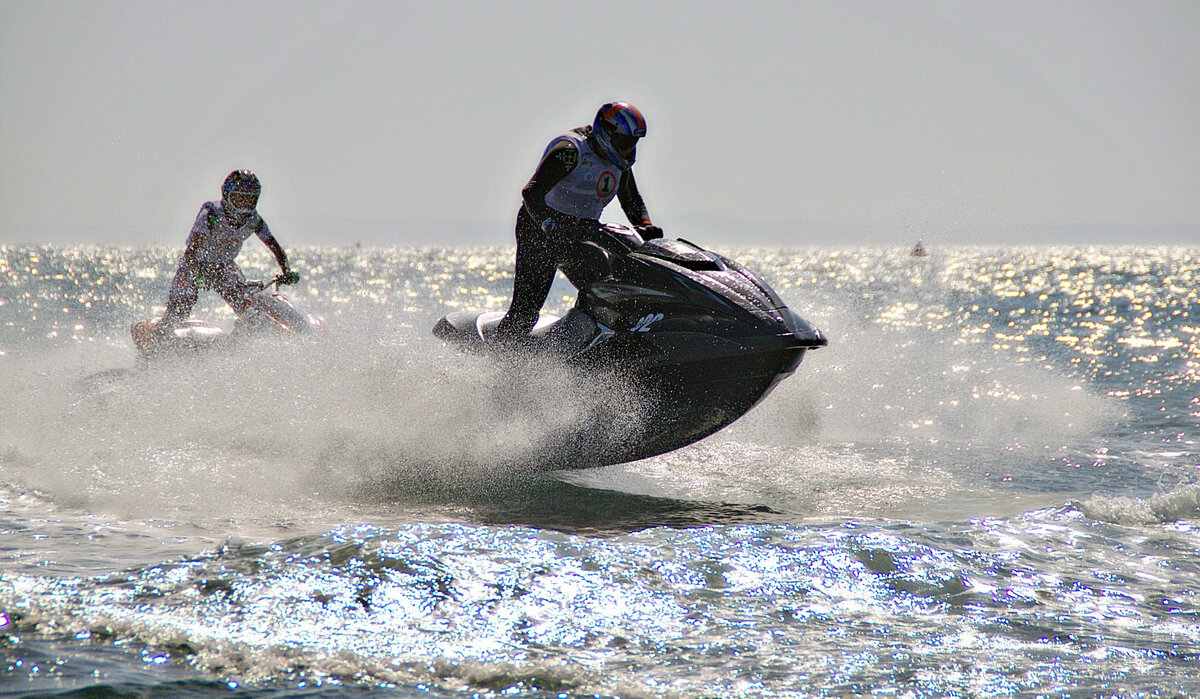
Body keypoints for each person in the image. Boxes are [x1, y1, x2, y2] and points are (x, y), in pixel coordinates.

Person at [495, 101, 663, 340]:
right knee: (526, 312)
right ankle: (497, 363)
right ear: (607, 134)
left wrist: (645, 226)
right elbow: (531, 192)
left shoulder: (619, 162)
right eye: (626, 143)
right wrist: (549, 225)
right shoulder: (570, 151)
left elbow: (632, 200)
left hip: (580, 234)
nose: (629, 149)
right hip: (539, 230)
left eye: (633, 143)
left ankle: (584, 348)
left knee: (609, 296)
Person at [155, 169, 299, 337]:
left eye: (250, 199)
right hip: (194, 263)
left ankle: (235, 347)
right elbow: (193, 248)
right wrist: (195, 271)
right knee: (180, 308)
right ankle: (159, 338)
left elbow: (275, 247)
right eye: (240, 199)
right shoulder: (212, 214)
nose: (245, 205)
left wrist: (286, 272)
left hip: (223, 266)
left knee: (247, 307)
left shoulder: (254, 220)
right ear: (227, 195)